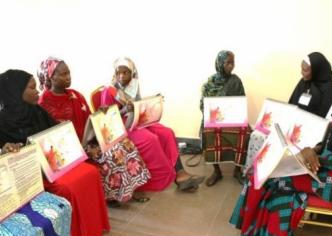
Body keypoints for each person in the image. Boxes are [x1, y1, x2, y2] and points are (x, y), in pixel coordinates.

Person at [230, 50, 332, 236]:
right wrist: (312, 150)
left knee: (273, 180)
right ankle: (259, 232)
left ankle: (264, 233)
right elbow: (329, 141)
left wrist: (312, 158)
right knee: (263, 172)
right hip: (326, 168)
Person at [0, 69, 110, 236]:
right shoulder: (2, 123)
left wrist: (63, 130)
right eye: (32, 88)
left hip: (53, 165)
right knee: (67, 187)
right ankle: (76, 233)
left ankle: (91, 230)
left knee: (90, 171)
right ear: (15, 92)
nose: (38, 91)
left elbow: (53, 134)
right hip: (31, 175)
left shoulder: (37, 111)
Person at [37, 57, 151, 203]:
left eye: (69, 73)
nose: (68, 77)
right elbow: (54, 137)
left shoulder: (75, 95)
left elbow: (89, 120)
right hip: (68, 151)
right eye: (63, 74)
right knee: (111, 154)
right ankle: (112, 196)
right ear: (51, 77)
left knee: (124, 144)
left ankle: (129, 189)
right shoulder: (45, 103)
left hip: (88, 139)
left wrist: (99, 114)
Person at [101, 57, 204, 192]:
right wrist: (126, 109)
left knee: (167, 133)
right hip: (121, 127)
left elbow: (137, 104)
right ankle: (169, 176)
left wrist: (153, 100)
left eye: (125, 72)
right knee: (151, 139)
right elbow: (107, 120)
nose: (121, 76)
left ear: (132, 73)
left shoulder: (133, 86)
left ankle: (180, 173)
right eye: (118, 72)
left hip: (135, 121)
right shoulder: (109, 91)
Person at [200, 50, 249, 187]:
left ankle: (237, 170)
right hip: (214, 120)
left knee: (245, 132)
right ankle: (217, 171)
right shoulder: (209, 83)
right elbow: (202, 105)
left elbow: (241, 101)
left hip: (233, 119)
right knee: (208, 132)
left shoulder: (236, 81)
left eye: (233, 62)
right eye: (228, 63)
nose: (231, 66)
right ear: (220, 63)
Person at [289, 52, 332, 117]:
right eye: (302, 69)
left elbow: (324, 115)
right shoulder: (304, 81)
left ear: (316, 70)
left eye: (305, 70)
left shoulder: (331, 87)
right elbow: (292, 104)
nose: (301, 73)